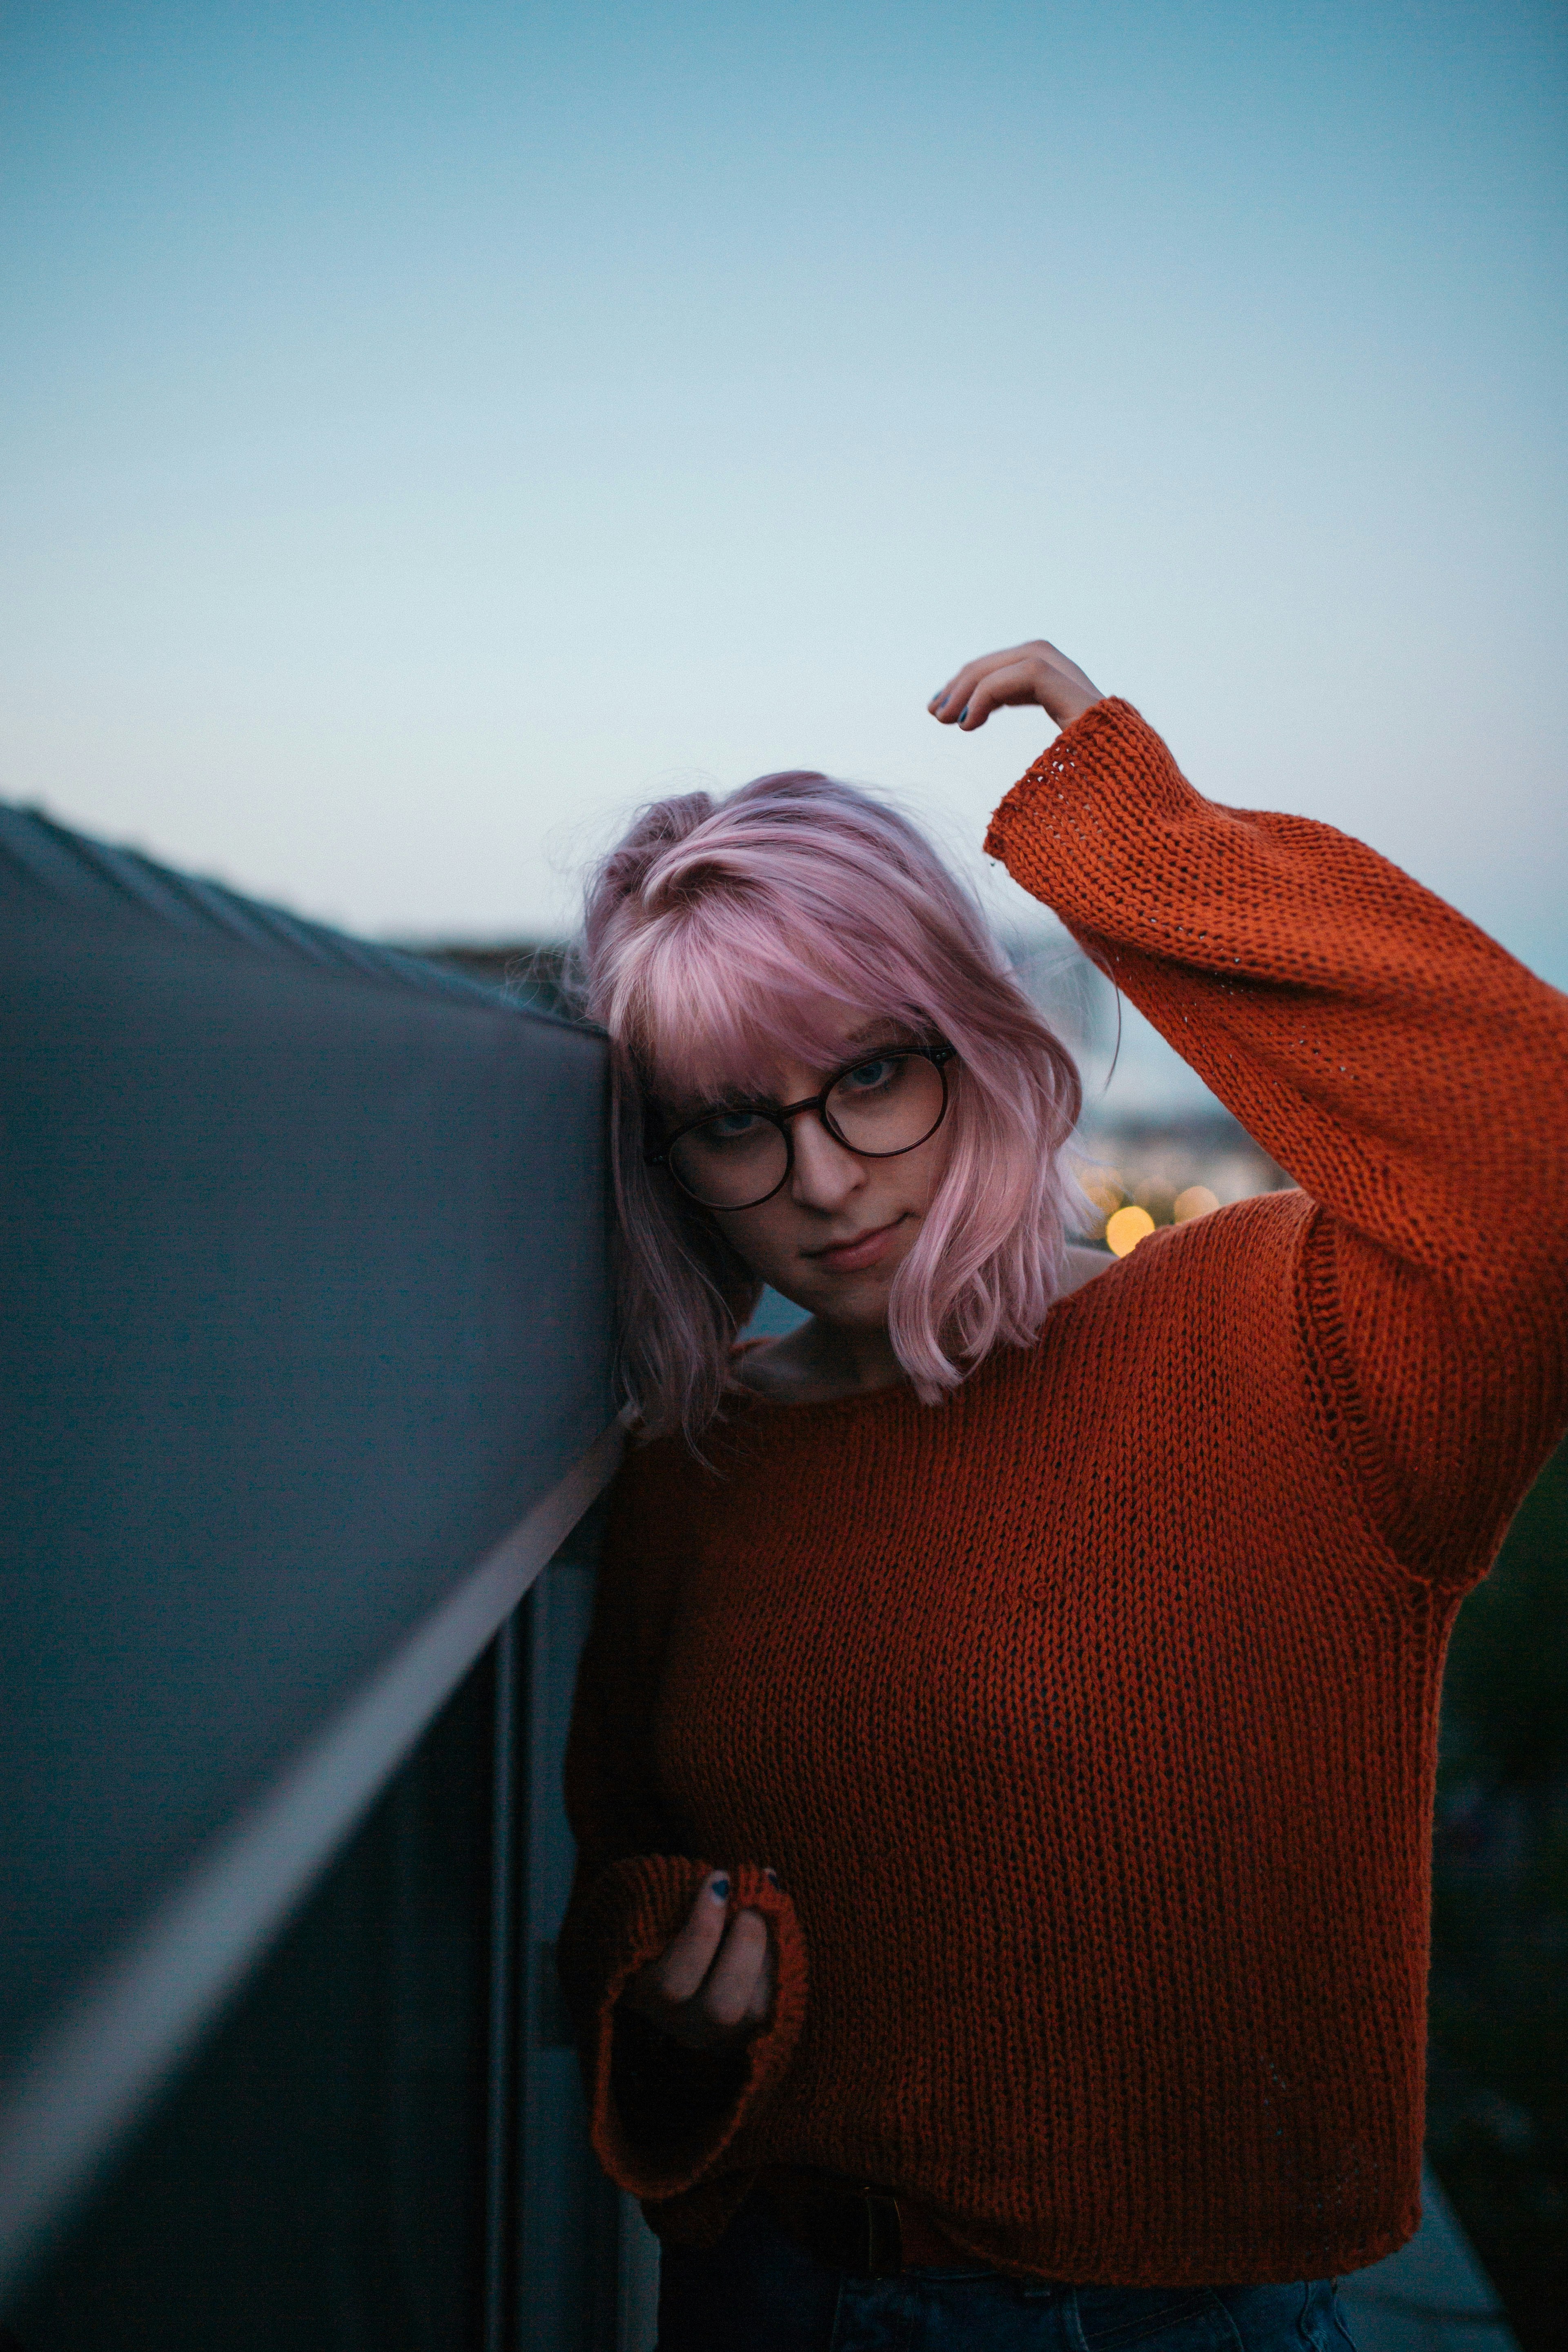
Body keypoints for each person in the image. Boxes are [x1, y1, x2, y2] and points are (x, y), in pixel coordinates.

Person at [557, 640, 1568, 2352]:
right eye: (733, 1120)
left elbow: (1535, 1158)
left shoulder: (1288, 1345)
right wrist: (666, 1995)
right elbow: (607, 1870)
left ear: (975, 1031)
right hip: (771, 2301)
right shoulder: (693, 1467)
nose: (817, 1180)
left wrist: (1137, 835)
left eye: (871, 1073)